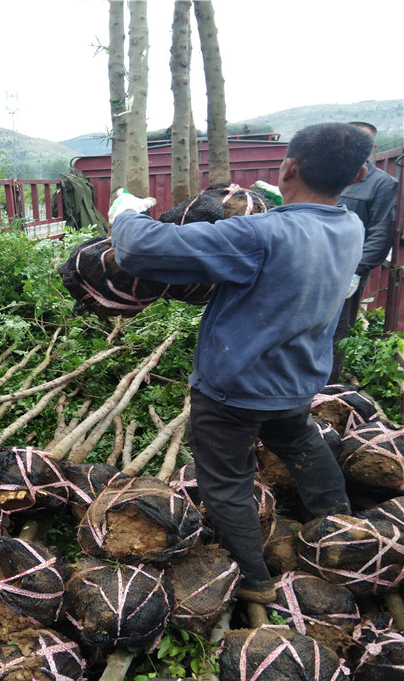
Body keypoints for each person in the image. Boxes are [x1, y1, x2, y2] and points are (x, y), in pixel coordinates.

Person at [107, 122, 374, 603]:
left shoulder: (260, 234)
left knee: (226, 479)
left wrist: (125, 214)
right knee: (298, 439)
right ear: (356, 175)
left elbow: (140, 250)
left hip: (233, 390)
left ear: (288, 166)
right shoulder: (350, 226)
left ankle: (255, 581)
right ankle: (339, 531)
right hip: (297, 380)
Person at [328, 121, 398, 383]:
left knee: (336, 330)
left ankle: (328, 389)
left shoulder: (383, 185)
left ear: (373, 148)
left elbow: (381, 233)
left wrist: (356, 271)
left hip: (347, 270)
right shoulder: (330, 177)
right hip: (315, 263)